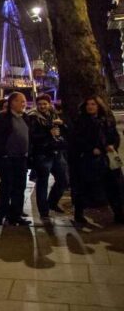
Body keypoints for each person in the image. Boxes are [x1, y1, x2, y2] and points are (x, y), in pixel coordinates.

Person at [71, 96, 124, 225]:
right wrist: (90, 149)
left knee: (115, 187)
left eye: (93, 104)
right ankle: (79, 214)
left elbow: (114, 136)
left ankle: (119, 214)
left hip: (106, 158)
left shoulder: (106, 120)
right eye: (88, 104)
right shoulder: (81, 121)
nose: (90, 106)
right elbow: (77, 139)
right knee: (84, 187)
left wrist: (112, 145)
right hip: (88, 159)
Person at [0, 92, 30, 226]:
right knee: (7, 186)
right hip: (7, 159)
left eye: (24, 101)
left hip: (21, 158)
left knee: (20, 187)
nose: (23, 104)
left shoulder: (25, 117)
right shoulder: (3, 118)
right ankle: (2, 213)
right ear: (13, 102)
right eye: (21, 101)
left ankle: (16, 214)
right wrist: (3, 154)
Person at [27, 94, 68, 220]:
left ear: (49, 104)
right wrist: (48, 132)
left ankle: (52, 202)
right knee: (42, 183)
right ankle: (44, 211)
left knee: (64, 180)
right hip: (42, 154)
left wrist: (62, 126)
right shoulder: (33, 118)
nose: (42, 106)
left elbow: (63, 132)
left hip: (56, 152)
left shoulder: (54, 115)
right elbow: (33, 136)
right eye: (40, 104)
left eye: (44, 104)